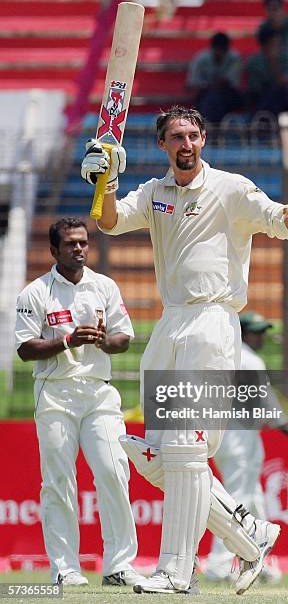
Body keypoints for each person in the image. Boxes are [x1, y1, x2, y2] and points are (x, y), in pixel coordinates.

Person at [80, 106, 288, 595]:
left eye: (193, 135)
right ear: (163, 145)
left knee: (187, 451)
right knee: (157, 457)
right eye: (176, 137)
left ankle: (176, 570)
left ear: (204, 139)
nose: (186, 144)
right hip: (170, 323)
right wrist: (102, 180)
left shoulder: (230, 188)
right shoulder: (155, 193)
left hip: (214, 321)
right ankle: (249, 534)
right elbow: (108, 222)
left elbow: (283, 221)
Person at [14, 218, 143, 587]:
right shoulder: (35, 292)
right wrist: (68, 341)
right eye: (70, 244)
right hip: (55, 392)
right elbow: (25, 349)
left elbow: (124, 338)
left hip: (98, 391)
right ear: (54, 251)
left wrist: (102, 341)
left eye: (83, 243)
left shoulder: (104, 286)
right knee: (58, 481)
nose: (79, 249)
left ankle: (119, 566)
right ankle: (65, 567)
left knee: (114, 471)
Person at [205, 310, 288, 582]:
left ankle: (259, 560)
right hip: (239, 437)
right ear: (245, 333)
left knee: (254, 498)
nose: (262, 337)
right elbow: (269, 404)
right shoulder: (249, 360)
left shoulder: (225, 355)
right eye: (257, 332)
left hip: (232, 435)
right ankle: (219, 564)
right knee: (238, 498)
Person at [186, 32, 243, 123]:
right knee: (211, 97)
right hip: (205, 96)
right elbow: (192, 84)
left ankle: (211, 124)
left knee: (217, 97)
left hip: (227, 96)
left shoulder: (234, 58)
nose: (220, 53)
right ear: (213, 48)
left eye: (223, 50)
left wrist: (214, 86)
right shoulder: (201, 59)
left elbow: (231, 82)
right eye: (218, 50)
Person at [246, 29, 288, 116]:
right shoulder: (254, 61)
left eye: (279, 44)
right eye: (273, 44)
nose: (277, 47)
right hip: (263, 95)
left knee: (276, 93)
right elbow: (255, 87)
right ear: (264, 46)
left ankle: (262, 119)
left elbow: (284, 82)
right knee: (265, 96)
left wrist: (273, 62)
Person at [256, 0, 288, 73]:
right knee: (256, 62)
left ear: (282, 8)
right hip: (270, 57)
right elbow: (262, 46)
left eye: (275, 8)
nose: (273, 12)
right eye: (269, 9)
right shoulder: (263, 27)